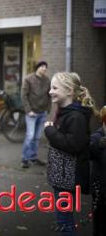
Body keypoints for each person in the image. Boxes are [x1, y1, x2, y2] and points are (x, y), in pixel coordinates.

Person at [44, 72, 96, 235]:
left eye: (54, 88)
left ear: (69, 91)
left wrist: (50, 130)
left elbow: (73, 144)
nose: (50, 91)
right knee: (63, 217)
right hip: (63, 176)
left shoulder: (75, 116)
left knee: (64, 220)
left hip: (68, 177)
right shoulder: (65, 111)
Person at [21, 60, 51, 168]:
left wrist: (48, 109)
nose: (44, 68)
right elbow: (24, 95)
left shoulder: (47, 80)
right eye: (42, 66)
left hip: (42, 112)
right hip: (31, 113)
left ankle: (33, 157)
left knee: (37, 137)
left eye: (45, 67)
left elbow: (49, 95)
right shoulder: (28, 79)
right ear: (37, 67)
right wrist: (29, 110)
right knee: (30, 135)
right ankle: (25, 158)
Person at [89, 105, 106, 236]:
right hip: (100, 188)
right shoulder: (97, 137)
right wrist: (99, 145)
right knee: (99, 221)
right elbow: (89, 152)